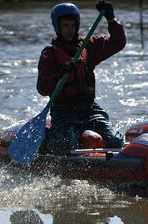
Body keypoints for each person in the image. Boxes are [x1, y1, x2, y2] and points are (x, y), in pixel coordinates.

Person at [37, 2, 126, 155]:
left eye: (73, 25)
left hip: (89, 109)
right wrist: (61, 73)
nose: (69, 30)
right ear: (57, 27)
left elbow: (118, 43)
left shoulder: (88, 46)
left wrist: (111, 20)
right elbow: (42, 88)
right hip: (63, 112)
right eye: (65, 25)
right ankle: (48, 139)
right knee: (66, 144)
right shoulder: (49, 54)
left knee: (115, 141)